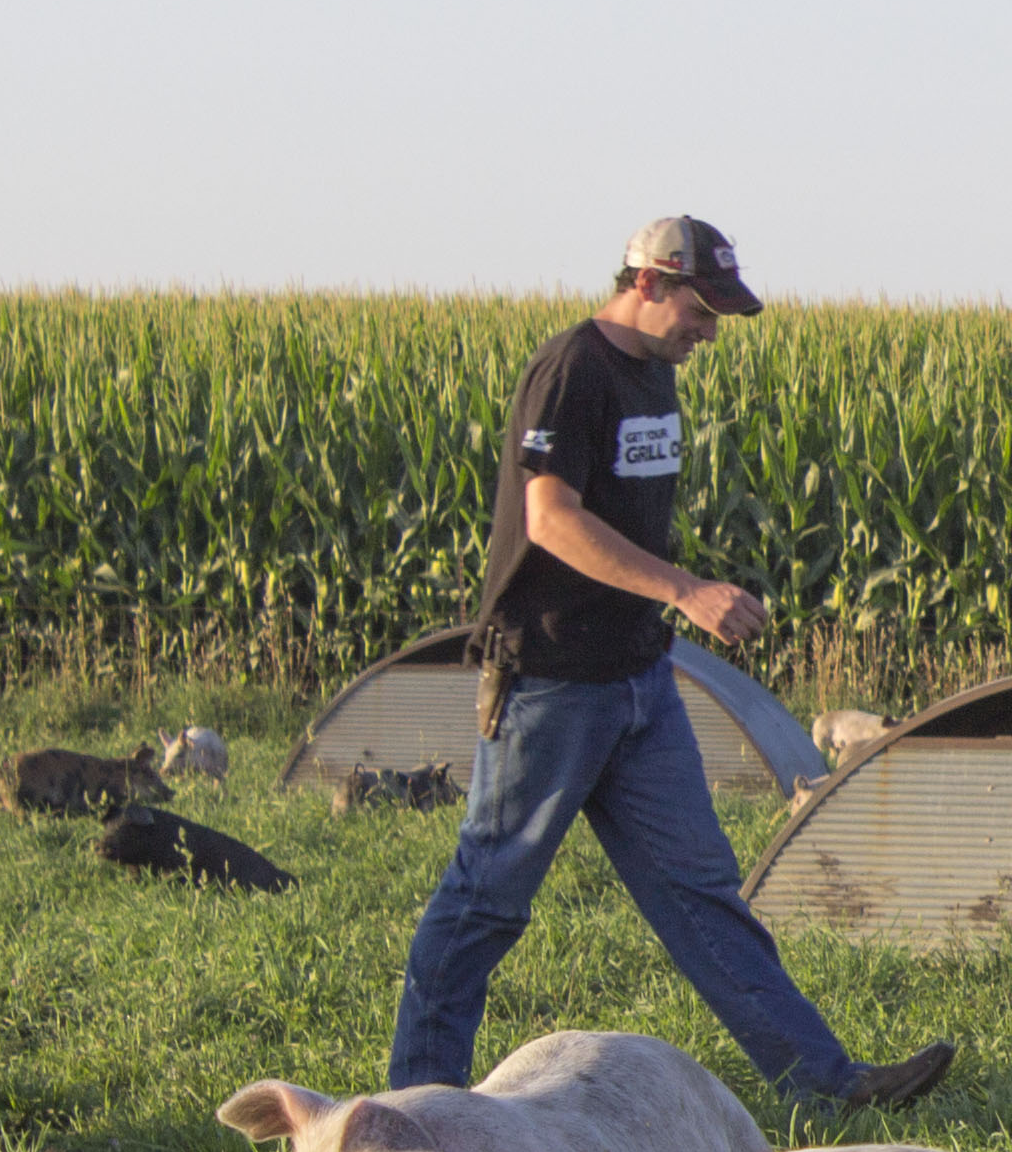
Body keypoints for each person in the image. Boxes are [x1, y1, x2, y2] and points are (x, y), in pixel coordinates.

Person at [393, 217, 954, 1106]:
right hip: (550, 681)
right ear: (649, 283)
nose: (711, 329)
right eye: (702, 307)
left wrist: (664, 612)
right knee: (486, 900)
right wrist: (685, 590)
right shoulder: (571, 372)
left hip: (639, 683)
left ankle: (826, 1084)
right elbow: (551, 518)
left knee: (704, 896)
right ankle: (418, 1104)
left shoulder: (656, 375)